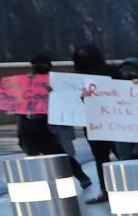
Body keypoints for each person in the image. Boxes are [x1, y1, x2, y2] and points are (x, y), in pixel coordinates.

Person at [17, 53, 93, 187]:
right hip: (29, 126)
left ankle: (81, 178)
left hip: (49, 126)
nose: (40, 68)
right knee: (40, 156)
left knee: (61, 155)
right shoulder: (25, 83)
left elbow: (66, 100)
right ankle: (55, 182)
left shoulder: (55, 82)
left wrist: (53, 92)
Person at [71, 44, 117, 203]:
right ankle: (105, 190)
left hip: (114, 121)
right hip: (92, 124)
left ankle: (128, 187)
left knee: (120, 154)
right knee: (100, 158)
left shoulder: (110, 72)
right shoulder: (76, 78)